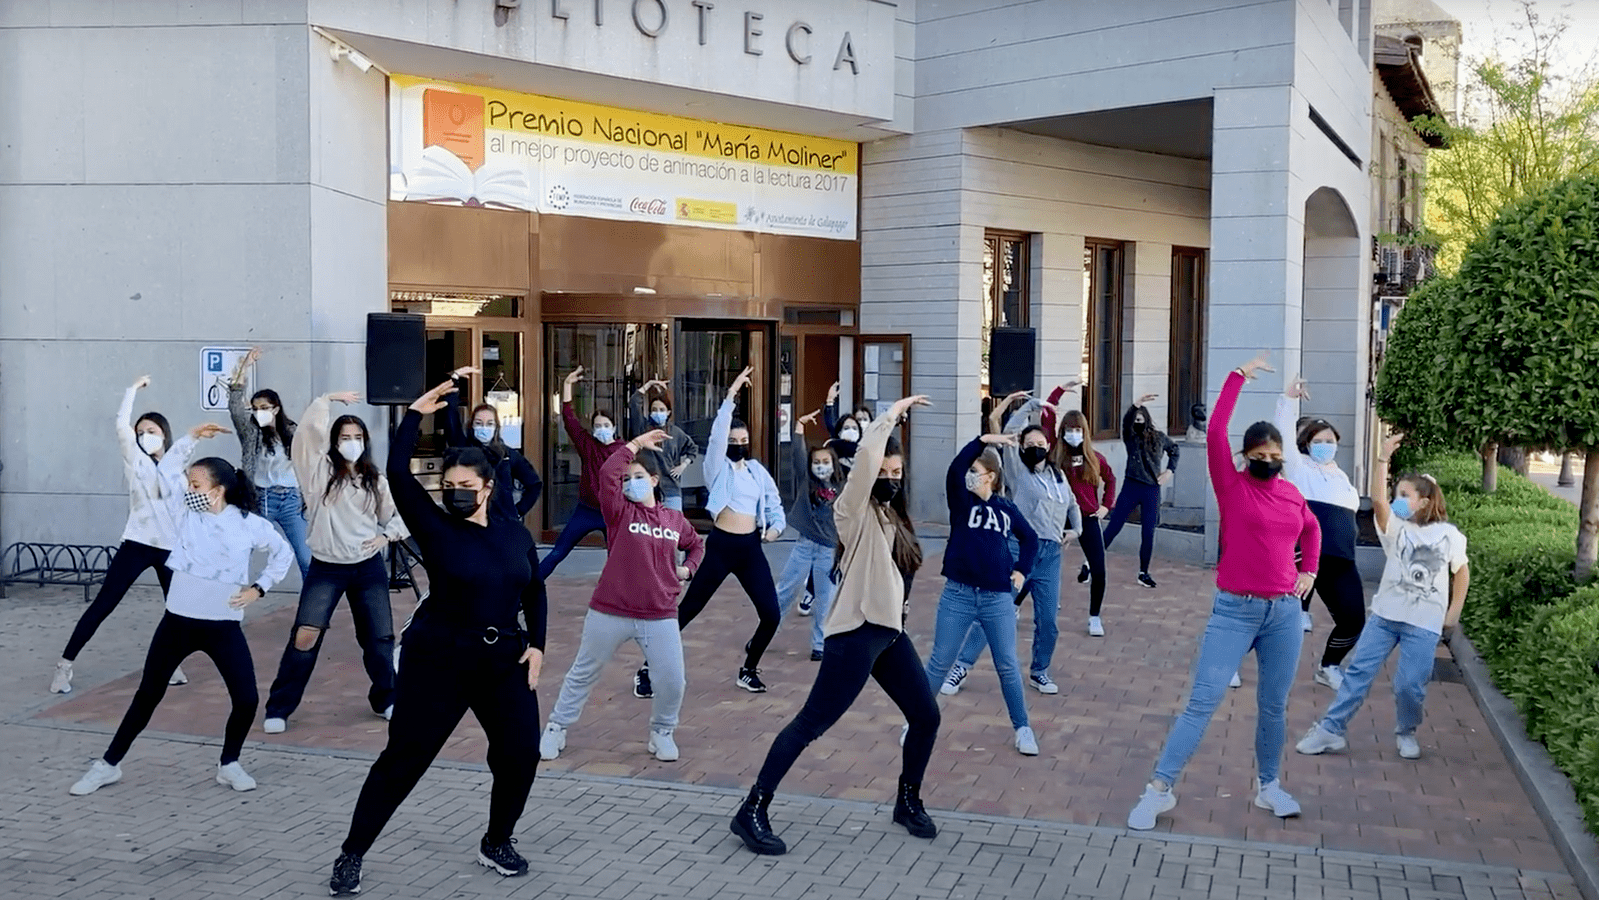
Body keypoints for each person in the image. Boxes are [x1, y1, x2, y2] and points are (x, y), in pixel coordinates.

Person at [329, 380, 548, 897]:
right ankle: (351, 853)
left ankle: (497, 841)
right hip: (440, 658)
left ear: (489, 485)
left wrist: (537, 644)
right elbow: (400, 477)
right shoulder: (434, 526)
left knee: (520, 754)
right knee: (405, 758)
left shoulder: (513, 531)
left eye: (465, 482)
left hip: (503, 660)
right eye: (448, 482)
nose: (454, 490)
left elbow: (534, 590)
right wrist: (412, 418)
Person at [732, 396, 940, 856]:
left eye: (896, 475)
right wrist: (888, 418)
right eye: (883, 474)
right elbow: (865, 462)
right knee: (810, 724)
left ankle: (908, 801)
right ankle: (753, 809)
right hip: (855, 635)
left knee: (926, 716)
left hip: (888, 634)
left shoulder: (891, 516)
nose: (889, 479)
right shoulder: (854, 511)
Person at [1126, 352, 1320, 831]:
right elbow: (1215, 433)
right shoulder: (1232, 486)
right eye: (1261, 458)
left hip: (1283, 615)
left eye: (1276, 458)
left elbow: (1312, 530)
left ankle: (1269, 786)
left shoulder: (1291, 494)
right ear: (1245, 458)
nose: (1270, 463)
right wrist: (1237, 378)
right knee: (1203, 701)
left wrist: (1309, 572)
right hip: (1234, 611)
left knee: (1273, 706)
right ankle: (1158, 790)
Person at [70, 427, 294, 797]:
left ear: (218, 490)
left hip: (223, 627)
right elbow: (164, 473)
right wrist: (190, 438)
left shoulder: (249, 525)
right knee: (147, 695)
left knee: (247, 700)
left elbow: (282, 553)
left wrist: (259, 589)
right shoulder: (183, 514)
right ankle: (108, 765)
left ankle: (229, 764)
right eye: (188, 483)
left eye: (196, 484)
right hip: (177, 624)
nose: (188, 489)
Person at [1296, 432, 1470, 761]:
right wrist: (1381, 459)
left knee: (1410, 686)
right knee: (1358, 674)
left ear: (1425, 500)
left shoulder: (1449, 535)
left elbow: (1461, 572)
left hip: (1424, 623)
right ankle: (1330, 730)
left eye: (1405, 495)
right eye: (1396, 493)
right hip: (1385, 617)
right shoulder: (1396, 529)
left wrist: (1453, 613)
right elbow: (1377, 502)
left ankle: (1406, 731)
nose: (1397, 499)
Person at [539, 430, 705, 763]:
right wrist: (632, 447)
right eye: (627, 479)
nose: (631, 483)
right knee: (583, 672)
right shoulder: (618, 511)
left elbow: (697, 545)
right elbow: (606, 474)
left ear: (655, 480)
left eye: (639, 477)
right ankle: (556, 726)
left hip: (659, 614)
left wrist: (687, 570)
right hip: (610, 611)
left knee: (673, 681)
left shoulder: (674, 519)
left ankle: (662, 732)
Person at [261, 392, 408, 734]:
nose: (352, 443)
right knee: (305, 636)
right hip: (326, 568)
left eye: (357, 438)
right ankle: (279, 707)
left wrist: (387, 537)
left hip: (367, 567)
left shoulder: (375, 479)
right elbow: (306, 437)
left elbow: (397, 517)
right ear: (334, 442)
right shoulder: (317, 472)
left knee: (379, 638)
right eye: (345, 438)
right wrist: (325, 400)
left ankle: (386, 697)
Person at [53, 376, 191, 694]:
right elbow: (120, 426)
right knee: (104, 604)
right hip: (137, 546)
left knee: (179, 611)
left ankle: (169, 665)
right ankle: (64, 666)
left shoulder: (178, 467)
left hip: (171, 549)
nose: (145, 436)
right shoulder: (137, 463)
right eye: (141, 432)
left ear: (165, 435)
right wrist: (131, 391)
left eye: (152, 432)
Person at [652, 365, 786, 694]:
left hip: (751, 549)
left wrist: (776, 529)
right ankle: (648, 667)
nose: (739, 445)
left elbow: (774, 503)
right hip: (722, 547)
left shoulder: (756, 471)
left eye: (744, 441)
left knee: (771, 614)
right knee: (688, 609)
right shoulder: (717, 469)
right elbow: (716, 436)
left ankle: (749, 667)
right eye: (733, 440)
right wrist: (730, 397)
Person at [942, 391, 1082, 697]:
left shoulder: (1058, 476)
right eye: (1030, 444)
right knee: (995, 610)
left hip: (1051, 554)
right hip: (1019, 551)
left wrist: (1077, 530)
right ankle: (960, 667)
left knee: (1049, 622)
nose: (1035, 447)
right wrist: (1032, 406)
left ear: (1049, 446)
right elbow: (1008, 431)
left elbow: (1072, 504)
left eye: (1040, 444)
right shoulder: (1018, 469)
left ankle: (1039, 671)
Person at [922, 430, 1042, 756]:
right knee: (939, 661)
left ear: (991, 476)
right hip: (958, 594)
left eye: (976, 472)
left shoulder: (1006, 509)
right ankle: (916, 722)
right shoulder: (962, 503)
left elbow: (1030, 539)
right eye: (970, 472)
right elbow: (953, 469)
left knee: (1007, 665)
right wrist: (982, 440)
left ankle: (1023, 728)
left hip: (997, 596)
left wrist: (1021, 570)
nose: (969, 476)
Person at [1276, 376, 1365, 690]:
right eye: (1320, 441)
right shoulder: (1299, 469)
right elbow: (1284, 437)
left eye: (1331, 440)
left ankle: (1329, 667)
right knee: (1273, 616)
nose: (1326, 446)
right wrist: (1287, 400)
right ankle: (1228, 662)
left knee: (1354, 620)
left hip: (1342, 561)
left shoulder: (1342, 477)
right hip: (1307, 557)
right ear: (1307, 444)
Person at [226, 347, 312, 579]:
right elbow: (234, 407)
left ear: (276, 408)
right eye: (255, 409)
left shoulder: (293, 432)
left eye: (264, 408)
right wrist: (245, 366)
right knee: (241, 551)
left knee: (305, 557)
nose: (258, 413)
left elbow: (308, 464)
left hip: (291, 500)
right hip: (261, 498)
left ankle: (313, 612)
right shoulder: (251, 432)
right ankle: (227, 599)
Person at [539, 366, 624, 579]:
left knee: (619, 558)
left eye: (606, 424)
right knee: (558, 551)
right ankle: (529, 590)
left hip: (612, 513)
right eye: (597, 425)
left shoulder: (624, 450)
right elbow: (569, 420)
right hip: (585, 511)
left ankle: (624, 600)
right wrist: (567, 386)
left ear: (614, 427)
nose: (601, 429)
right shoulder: (588, 445)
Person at [774, 410, 844, 661]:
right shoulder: (806, 480)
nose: (821, 466)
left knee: (826, 599)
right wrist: (799, 428)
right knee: (786, 589)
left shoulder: (842, 486)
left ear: (833, 463)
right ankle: (766, 632)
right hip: (805, 545)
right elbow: (797, 455)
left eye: (826, 461)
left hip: (829, 549)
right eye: (817, 462)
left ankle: (820, 644)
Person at [442, 366, 543, 522]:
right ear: (472, 425)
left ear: (496, 427)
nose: (484, 427)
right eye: (479, 423)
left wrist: (517, 512)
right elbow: (451, 416)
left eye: (489, 423)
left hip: (502, 523)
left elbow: (534, 484)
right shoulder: (463, 449)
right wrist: (454, 379)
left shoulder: (507, 454)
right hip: (471, 522)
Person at [1101, 394, 1180, 589]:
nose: (1137, 422)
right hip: (1131, 485)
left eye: (1140, 419)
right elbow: (1126, 423)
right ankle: (1091, 563)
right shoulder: (1131, 437)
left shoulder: (1159, 437)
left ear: (1146, 419)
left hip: (1151, 489)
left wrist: (1169, 471)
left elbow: (1175, 449)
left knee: (1148, 532)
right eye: (1135, 420)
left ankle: (1143, 572)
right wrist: (1135, 404)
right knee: (1115, 525)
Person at [1058, 407, 1117, 636]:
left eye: (1077, 429)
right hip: (1059, 518)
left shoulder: (1094, 458)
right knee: (1038, 564)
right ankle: (1015, 605)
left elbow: (1110, 479)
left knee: (1099, 569)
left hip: (1088, 518)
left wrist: (1105, 506)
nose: (1073, 433)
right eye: (1069, 429)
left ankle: (1094, 617)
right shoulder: (1055, 456)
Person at [627, 377, 700, 512]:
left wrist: (683, 465)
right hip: (646, 488)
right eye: (654, 409)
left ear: (668, 412)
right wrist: (648, 385)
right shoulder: (643, 429)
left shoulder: (676, 433)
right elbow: (633, 403)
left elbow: (693, 448)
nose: (657, 412)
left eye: (661, 409)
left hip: (670, 489)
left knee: (672, 529)